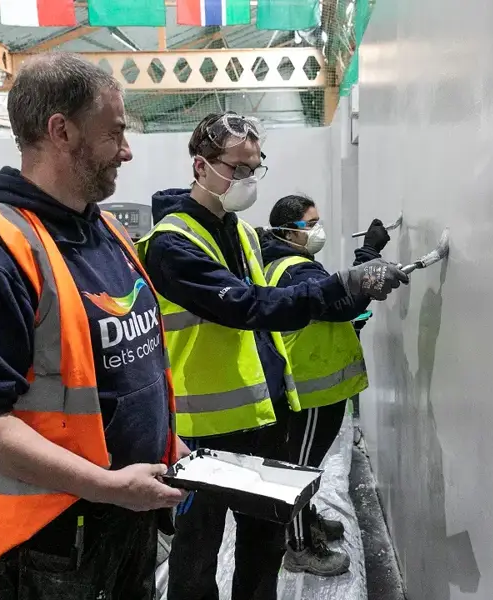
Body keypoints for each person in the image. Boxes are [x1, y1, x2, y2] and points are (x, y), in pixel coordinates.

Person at [0, 52, 187, 599]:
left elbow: (124, 368)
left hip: (124, 509)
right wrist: (107, 485)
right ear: (61, 131)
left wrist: (161, 446)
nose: (126, 151)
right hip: (53, 542)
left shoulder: (104, 230)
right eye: (114, 133)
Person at [137, 111, 409, 600]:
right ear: (200, 166)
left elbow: (272, 304)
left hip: (263, 414)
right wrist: (344, 283)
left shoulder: (241, 232)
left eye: (254, 167)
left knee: (263, 543)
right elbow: (247, 307)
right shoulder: (171, 245)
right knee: (197, 553)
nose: (247, 179)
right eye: (236, 168)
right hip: (203, 429)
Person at [260, 195, 391, 576]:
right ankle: (299, 547)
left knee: (305, 462)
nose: (319, 230)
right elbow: (344, 302)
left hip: (314, 384)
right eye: (311, 224)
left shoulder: (283, 262)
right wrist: (369, 254)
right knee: (299, 468)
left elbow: (329, 307)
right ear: (288, 232)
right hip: (309, 388)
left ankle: (305, 520)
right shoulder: (295, 269)